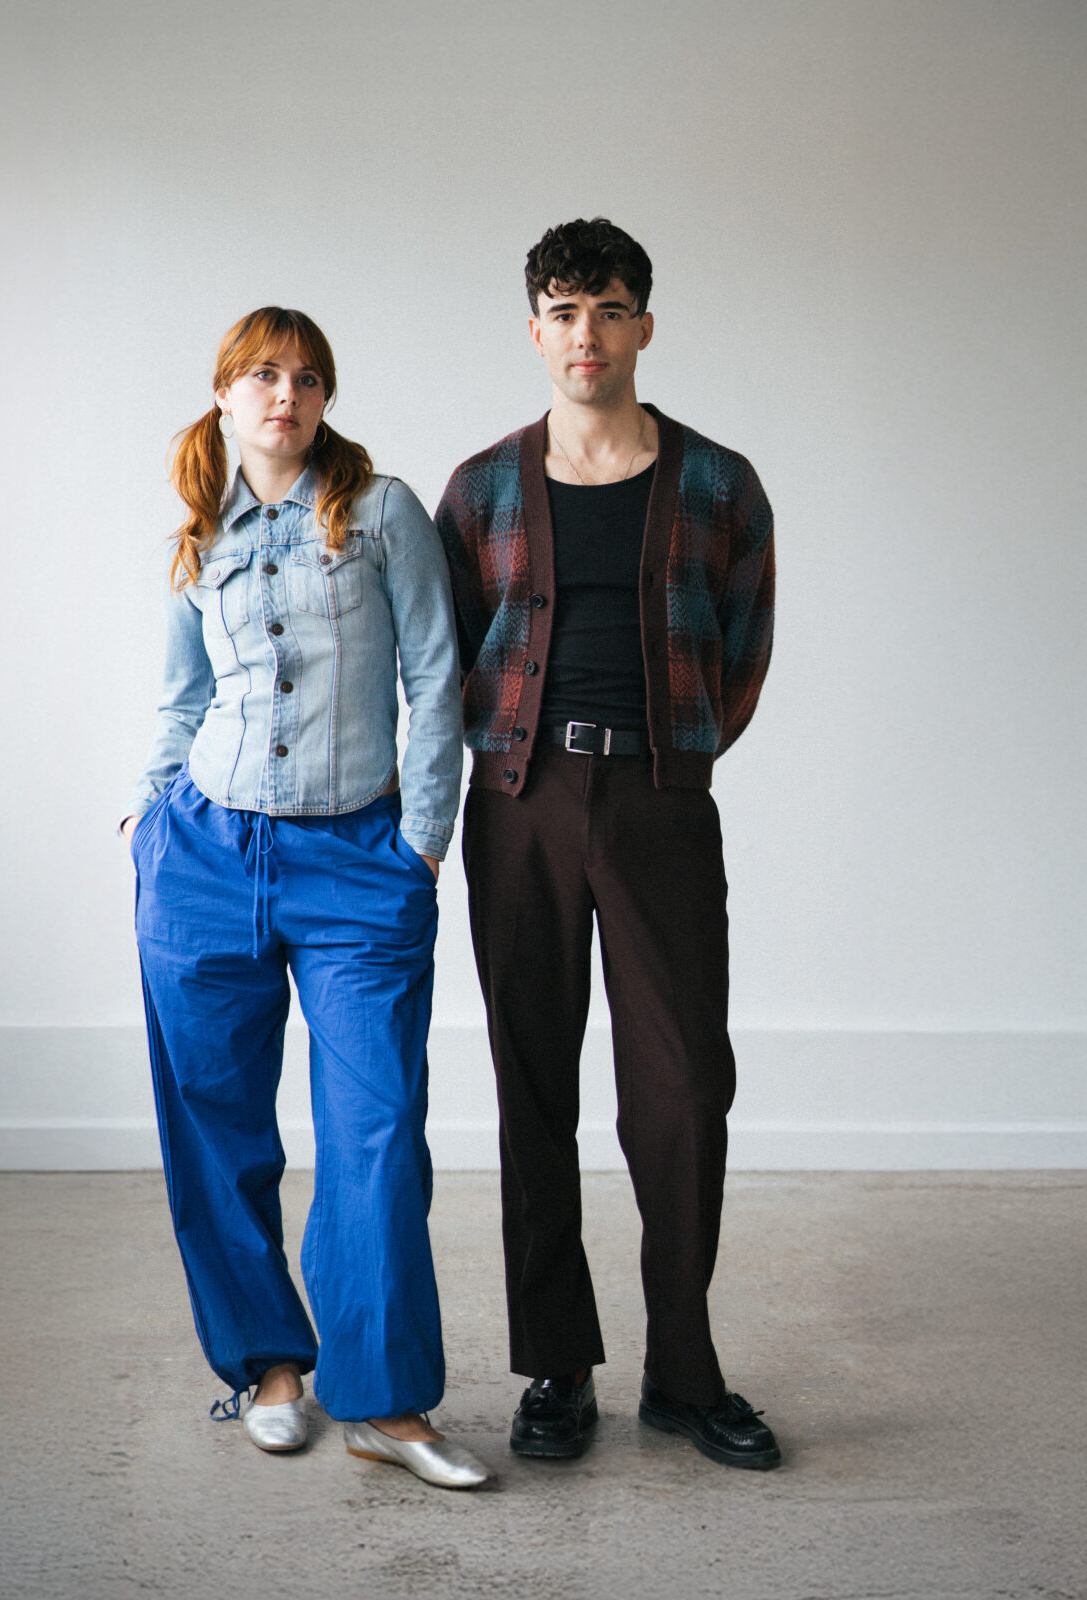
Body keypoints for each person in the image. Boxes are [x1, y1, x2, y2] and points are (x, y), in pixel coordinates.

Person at [435, 219, 782, 1470]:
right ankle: (555, 1367)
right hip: (517, 801)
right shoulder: (479, 487)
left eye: (609, 309)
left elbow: (740, 651)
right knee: (531, 1080)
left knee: (681, 1088)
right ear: (534, 331)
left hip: (658, 802)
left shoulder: (718, 483)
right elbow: (447, 652)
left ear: (643, 326)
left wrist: (665, 758)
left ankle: (682, 1373)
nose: (586, 334)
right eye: (563, 311)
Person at [123, 306, 488, 1489]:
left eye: (308, 377)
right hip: (205, 856)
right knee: (214, 1121)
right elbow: (181, 700)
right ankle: (269, 1366)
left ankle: (384, 1399)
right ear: (225, 393)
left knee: (373, 1127)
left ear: (326, 398)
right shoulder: (197, 533)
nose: (286, 395)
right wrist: (144, 818)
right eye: (264, 375)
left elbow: (435, 675)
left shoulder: (381, 513)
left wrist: (421, 841)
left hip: (356, 861)